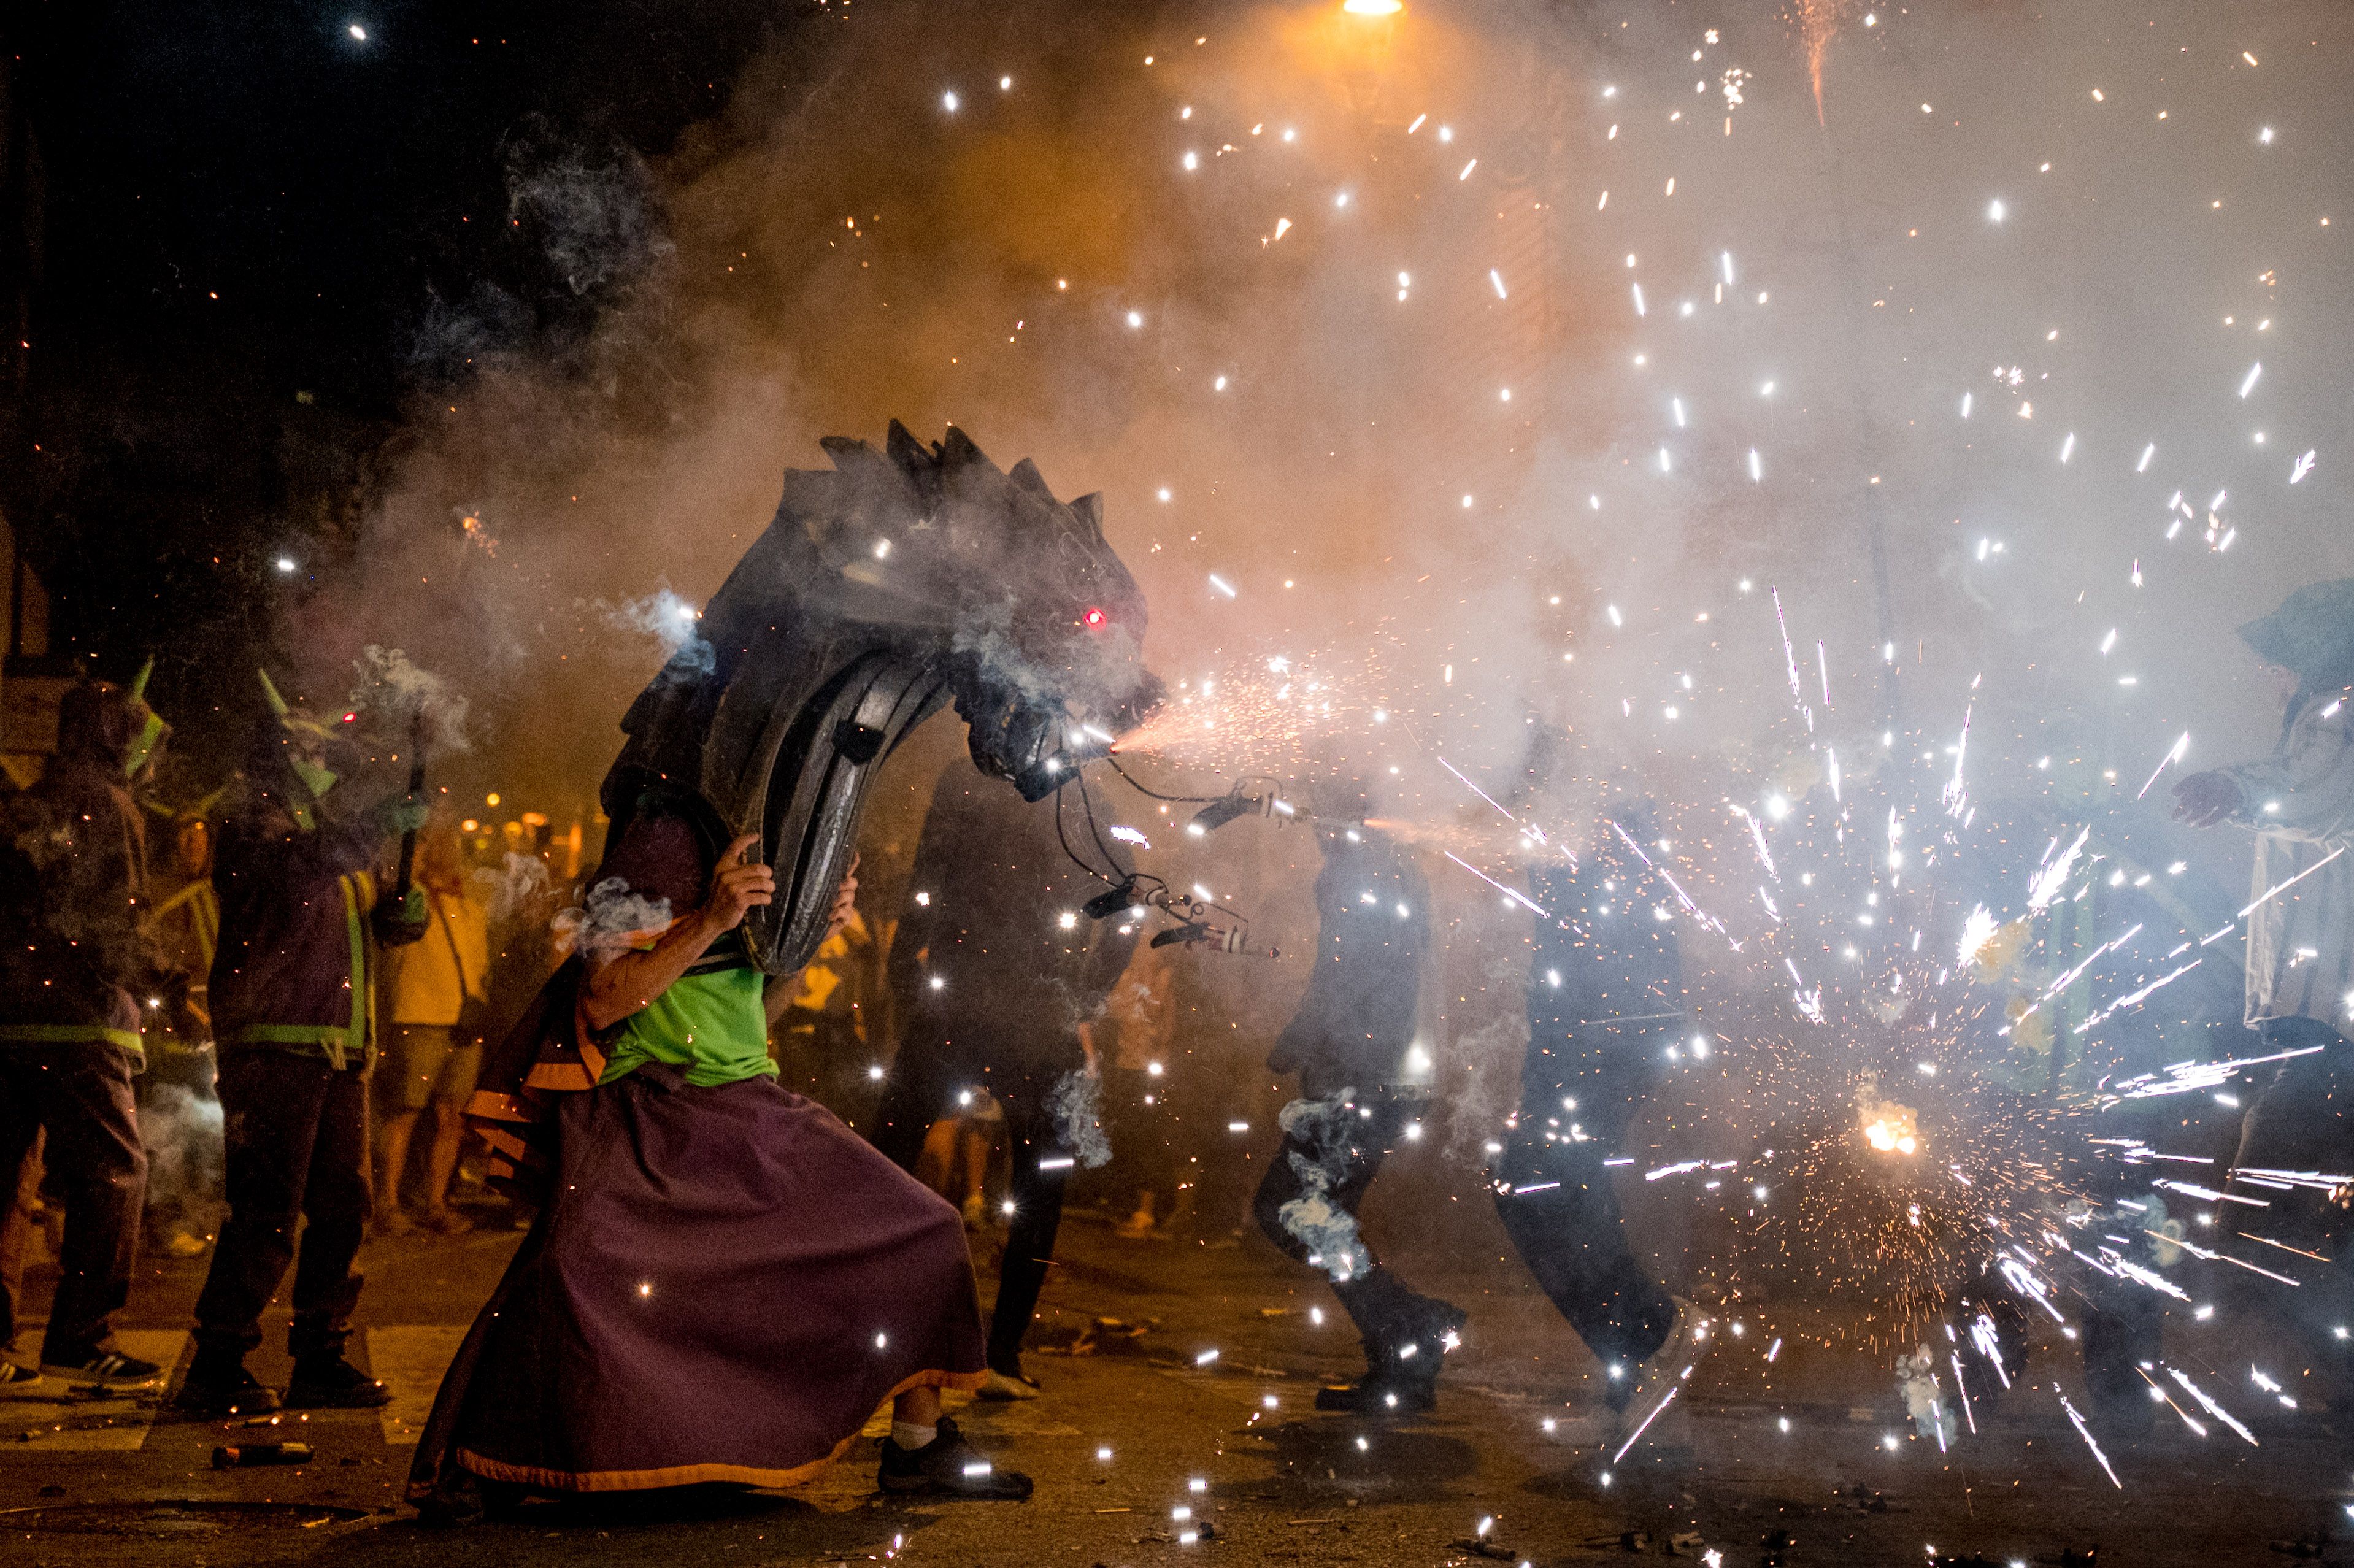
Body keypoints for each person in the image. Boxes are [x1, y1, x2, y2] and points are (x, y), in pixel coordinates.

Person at [407, 790, 1026, 1520]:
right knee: (570, 1265)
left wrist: (813, 934)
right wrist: (710, 921)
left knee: (925, 1228)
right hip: (646, 1110)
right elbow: (605, 1002)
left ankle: (917, 1447)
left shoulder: (758, 868)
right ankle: (491, 1456)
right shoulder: (643, 858)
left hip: (752, 1107)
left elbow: (756, 1014)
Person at [171, 673, 429, 1417]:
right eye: (310, 740)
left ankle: (321, 1352)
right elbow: (293, 879)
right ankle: (217, 1360)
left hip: (338, 1046)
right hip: (276, 1040)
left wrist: (396, 912)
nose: (327, 751)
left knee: (343, 1206)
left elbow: (353, 912)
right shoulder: (251, 817)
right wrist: (375, 823)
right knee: (268, 1209)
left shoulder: (322, 826)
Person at [874, 761, 1139, 1400]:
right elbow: (1130, 909)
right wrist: (1085, 996)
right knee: (1040, 1183)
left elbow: (926, 880)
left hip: (959, 1001)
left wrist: (905, 970)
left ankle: (859, 1327)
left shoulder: (966, 778)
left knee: (886, 1156)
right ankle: (1004, 1353)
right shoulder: (1090, 795)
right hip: (1034, 1013)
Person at [1492, 801, 1704, 1448]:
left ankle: (1657, 1333)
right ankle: (1632, 1379)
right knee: (1564, 1203)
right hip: (1580, 1049)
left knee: (1542, 1191)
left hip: (1596, 1050)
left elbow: (1625, 961)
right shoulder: (1576, 844)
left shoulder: (1599, 832)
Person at [2173, 578, 2354, 1335]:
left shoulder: (2336, 713)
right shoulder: (2319, 715)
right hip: (2322, 1004)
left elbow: (2308, 794)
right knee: (2299, 1176)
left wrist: (2232, 789)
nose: (2267, 670)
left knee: (2279, 1174)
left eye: (2279, 656)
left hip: (2334, 1008)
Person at [0, 672, 180, 1391]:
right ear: (115, 737)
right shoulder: (107, 805)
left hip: (9, 1021)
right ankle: (82, 1336)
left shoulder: (28, 804)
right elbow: (116, 922)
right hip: (77, 1025)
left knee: (8, 1182)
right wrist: (169, 987)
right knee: (115, 1174)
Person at [1252, 819, 1465, 1413]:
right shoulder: (1392, 868)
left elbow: (1347, 981)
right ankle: (1404, 1356)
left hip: (1363, 1078)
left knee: (1288, 1208)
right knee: (1324, 1214)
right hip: (1387, 1078)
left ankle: (1412, 1326)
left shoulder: (1356, 872)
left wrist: (1302, 1041)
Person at [374, 823, 491, 1236]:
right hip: (419, 1017)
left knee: (451, 1119)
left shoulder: (470, 905)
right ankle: (386, 1205)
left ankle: (435, 1203)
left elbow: (480, 965)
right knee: (404, 1114)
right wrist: (414, 858)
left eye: (451, 844)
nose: (449, 850)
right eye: (438, 842)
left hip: (463, 1023)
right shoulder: (408, 898)